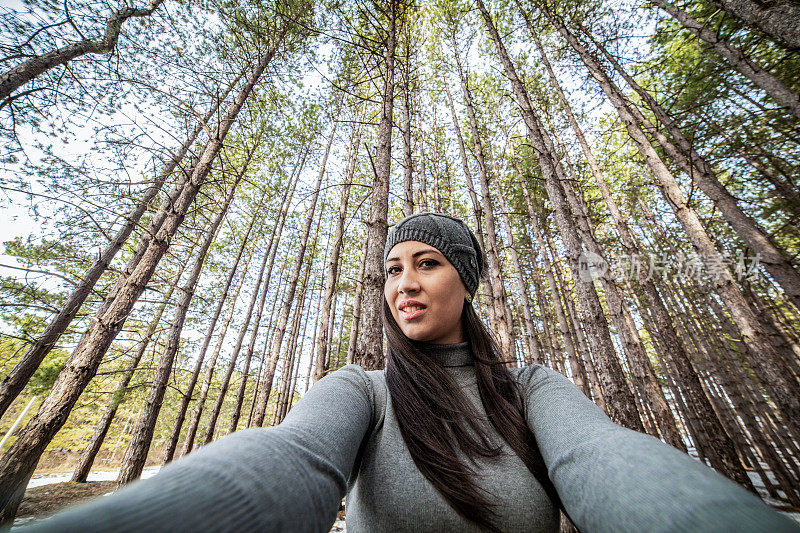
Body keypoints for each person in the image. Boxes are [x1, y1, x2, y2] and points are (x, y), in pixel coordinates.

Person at [19, 213, 799, 532]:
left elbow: (597, 454)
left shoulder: (531, 387)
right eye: (392, 269)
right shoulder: (359, 389)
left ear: (465, 280)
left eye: (427, 263)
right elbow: (290, 458)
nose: (404, 283)